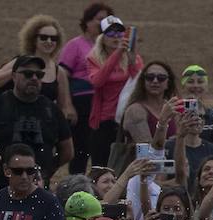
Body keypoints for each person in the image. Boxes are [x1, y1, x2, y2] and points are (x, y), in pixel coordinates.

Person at [0, 53, 73, 187]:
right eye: (28, 74)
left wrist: (48, 169)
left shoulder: (51, 109)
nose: (34, 78)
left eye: (39, 75)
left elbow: (68, 150)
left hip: (38, 187)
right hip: (0, 187)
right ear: (13, 76)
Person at [58, 5, 112, 173]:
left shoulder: (110, 48)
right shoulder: (75, 45)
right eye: (99, 19)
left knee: (103, 150)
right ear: (87, 22)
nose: (103, 23)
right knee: (81, 150)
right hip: (82, 102)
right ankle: (76, 186)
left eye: (107, 20)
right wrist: (67, 104)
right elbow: (62, 74)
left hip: (105, 105)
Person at [84, 15, 140, 168]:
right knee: (101, 166)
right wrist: (117, 54)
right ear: (102, 37)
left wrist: (131, 58)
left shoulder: (132, 56)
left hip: (127, 118)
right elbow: (97, 81)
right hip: (105, 120)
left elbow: (138, 81)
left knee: (125, 165)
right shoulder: (93, 58)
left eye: (119, 32)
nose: (116, 36)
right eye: (110, 33)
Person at [0, 15, 69, 111]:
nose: (49, 41)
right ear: (33, 39)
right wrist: (18, 70)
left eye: (54, 38)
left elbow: (63, 107)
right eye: (43, 37)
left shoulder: (59, 72)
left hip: (41, 123)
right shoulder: (19, 61)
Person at [119, 59, 176, 147]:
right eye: (150, 77)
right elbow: (147, 151)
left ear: (168, 83)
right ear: (143, 82)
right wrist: (162, 122)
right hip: (143, 160)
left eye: (161, 78)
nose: (155, 81)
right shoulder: (135, 111)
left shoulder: (172, 108)